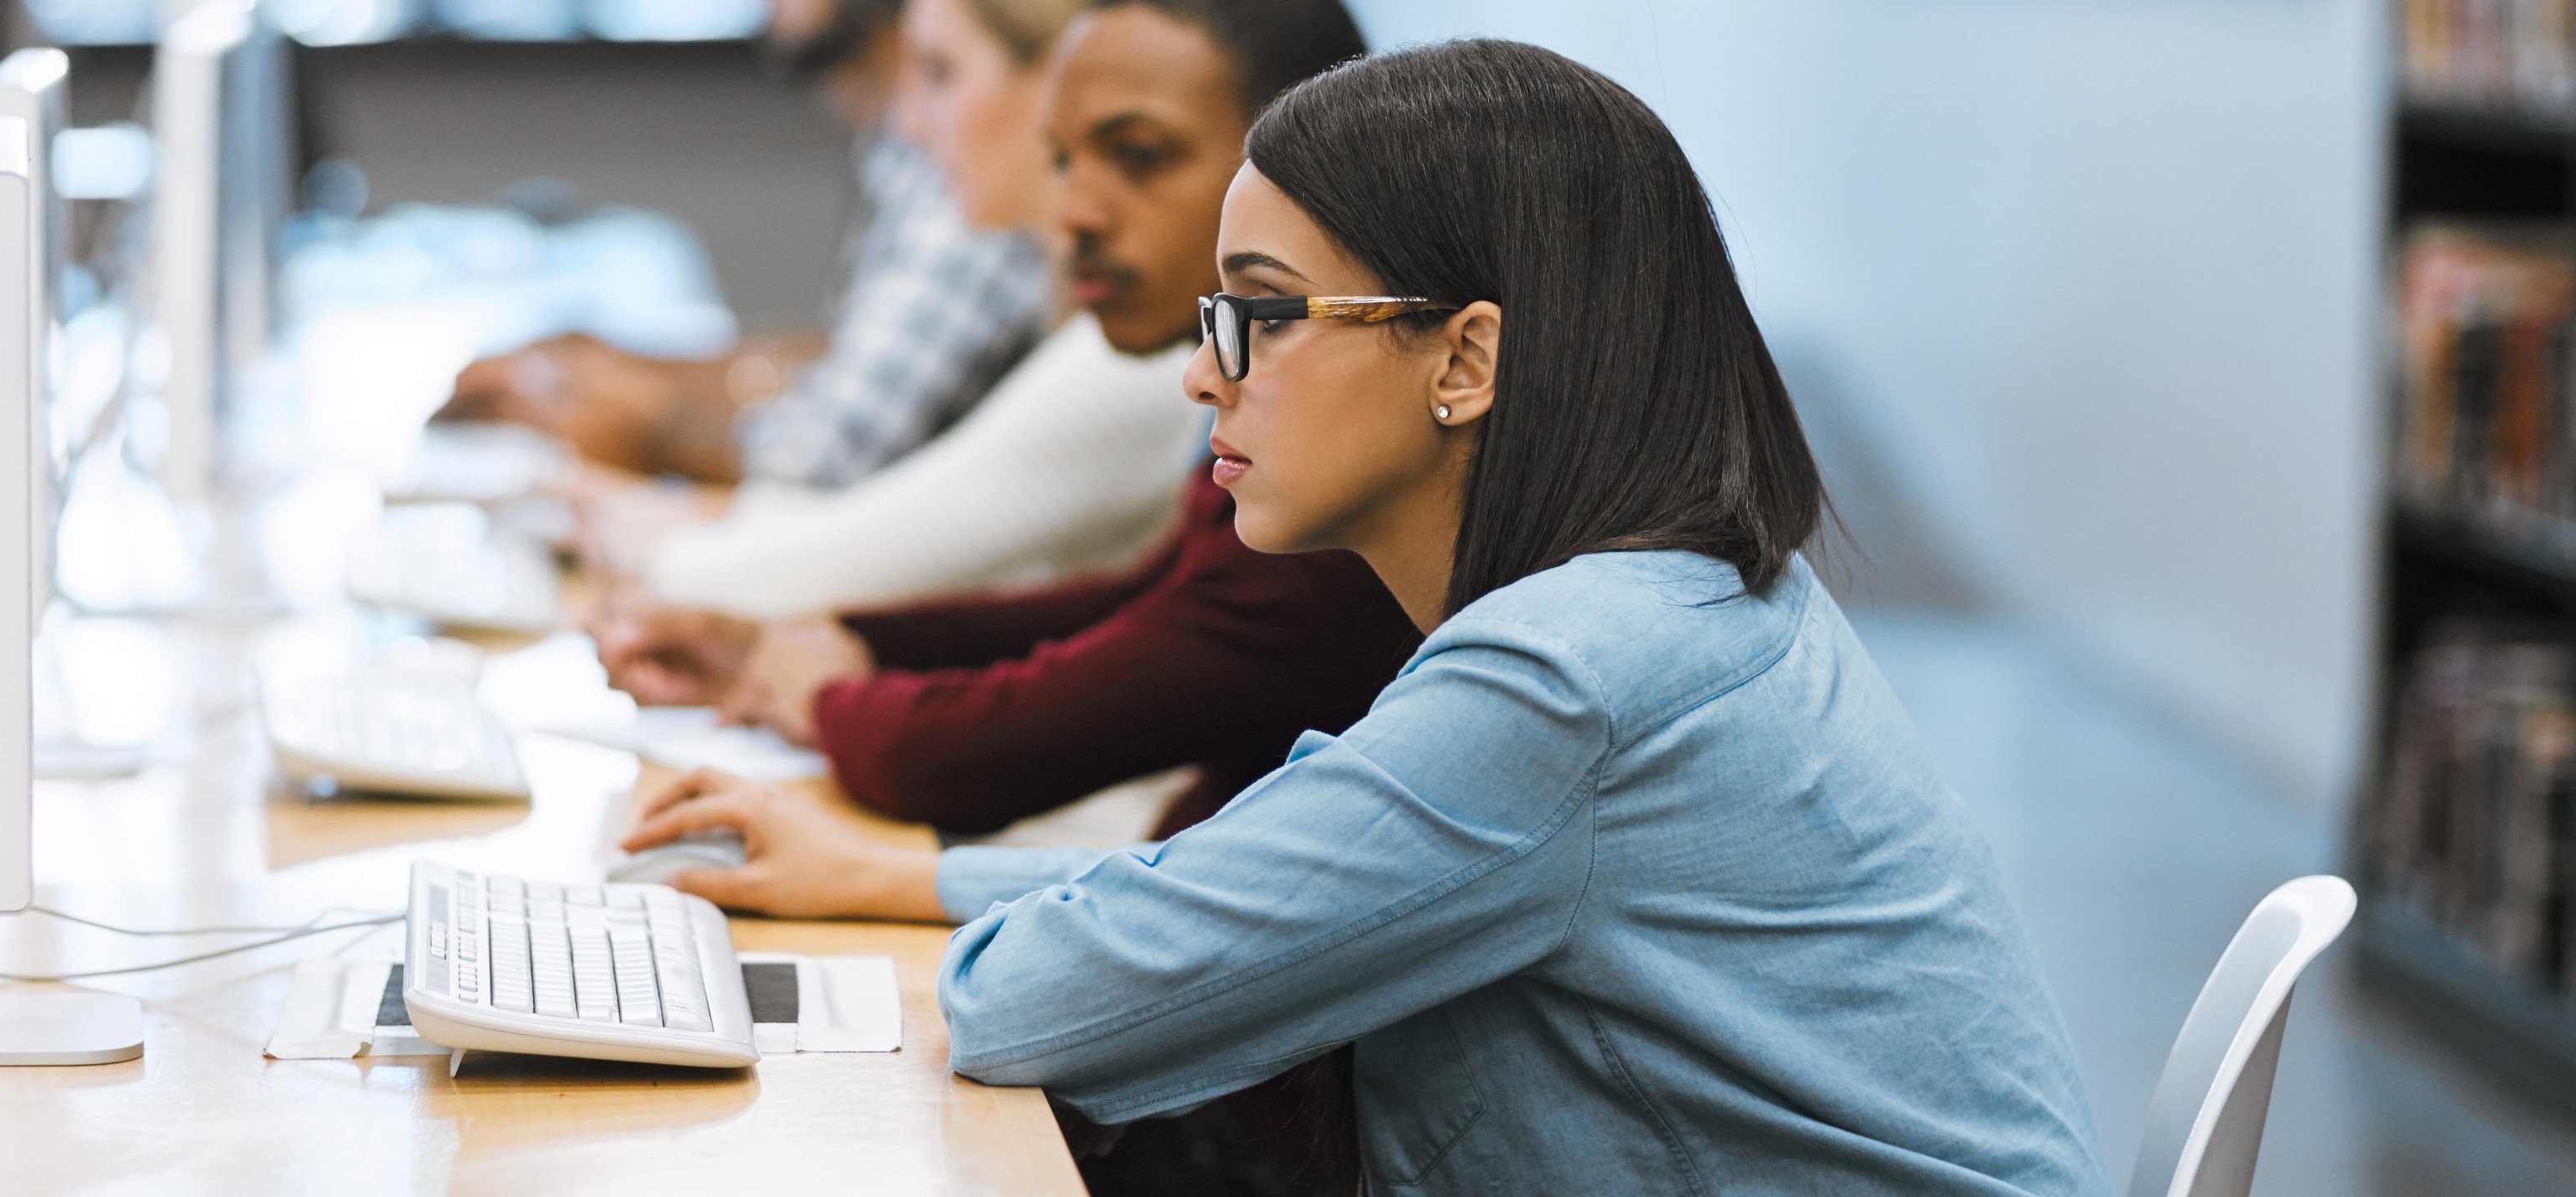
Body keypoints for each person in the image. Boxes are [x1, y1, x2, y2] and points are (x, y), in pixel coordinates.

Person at [624, 40, 2108, 1195]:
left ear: (1465, 360)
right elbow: (1278, 892)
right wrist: (896, 883)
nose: (1206, 377)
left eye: (1261, 316)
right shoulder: (1678, 597)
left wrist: (943, 906)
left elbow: (1038, 1008)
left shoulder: (1568, 682)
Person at [601, 0, 1387, 847]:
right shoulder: (1230, 370)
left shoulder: (1327, 425)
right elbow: (1156, 604)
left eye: (1140, 157)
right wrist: (837, 648)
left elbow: (1150, 673)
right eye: (1061, 160)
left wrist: (833, 696)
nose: (1077, 212)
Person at [620, 0, 1210, 617]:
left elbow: (838, 563)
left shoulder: (1145, 356)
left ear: (1060, 87)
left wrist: (634, 537)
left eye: (940, 73)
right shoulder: (1088, 320)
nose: (906, 125)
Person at [447, 0, 1052, 488]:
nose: (914, 121)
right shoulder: (917, 146)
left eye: (941, 72)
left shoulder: (964, 193)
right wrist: (622, 367)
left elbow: (824, 458)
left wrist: (646, 425)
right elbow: (847, 366)